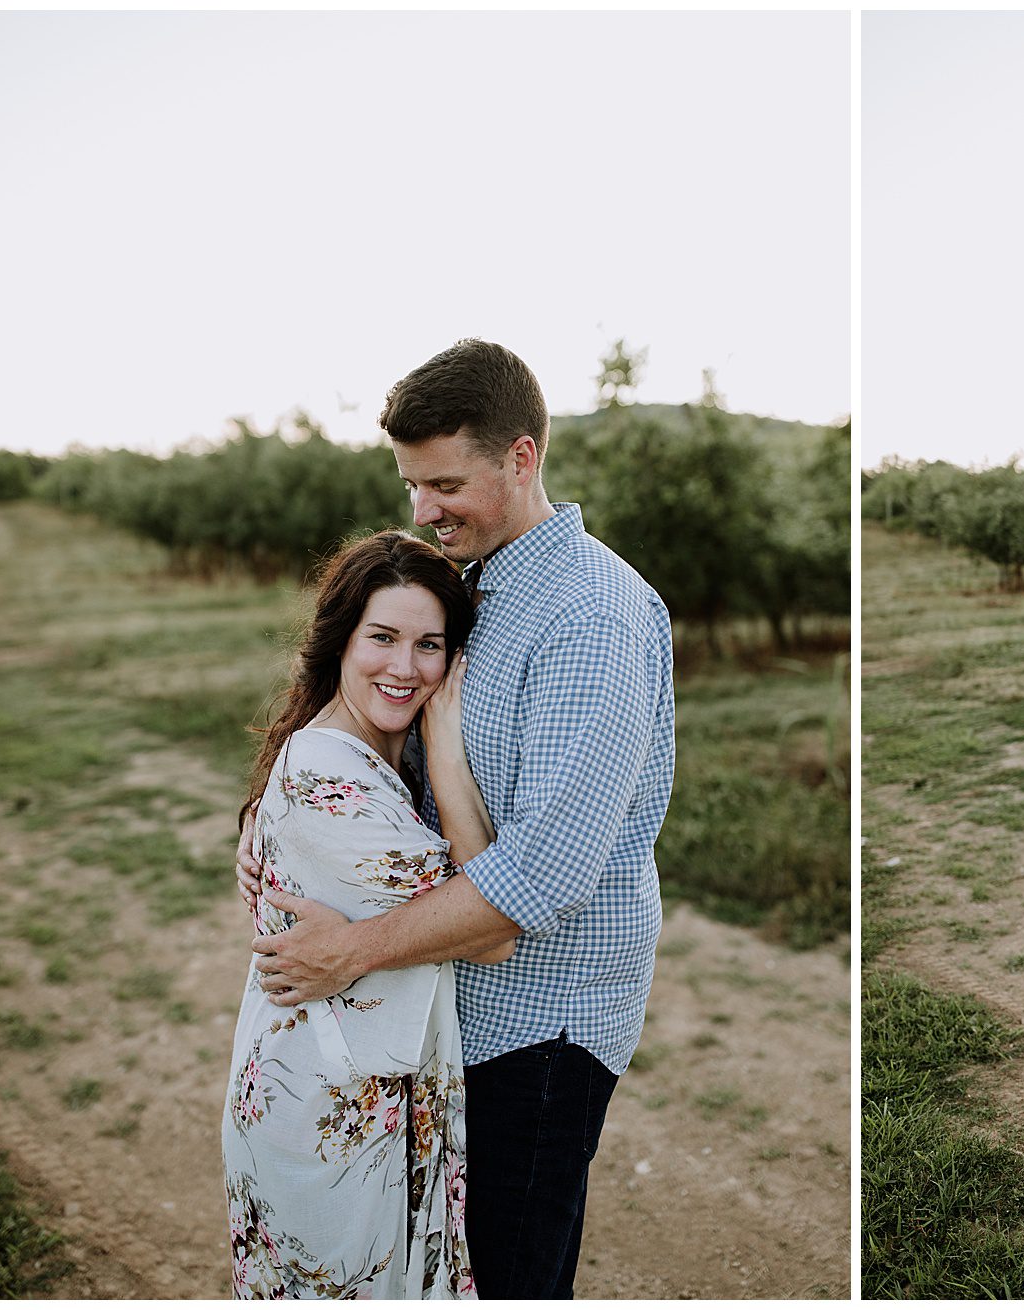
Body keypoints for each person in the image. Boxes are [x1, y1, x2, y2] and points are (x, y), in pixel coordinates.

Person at [237, 339, 677, 1299]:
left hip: (536, 1028)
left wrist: (350, 949)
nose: (423, 511)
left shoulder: (591, 616)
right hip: (446, 1022)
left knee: (512, 1281)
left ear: (522, 458)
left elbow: (535, 885)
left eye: (443, 483)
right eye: (410, 485)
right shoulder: (478, 580)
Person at [223, 529, 511, 1298]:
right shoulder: (330, 774)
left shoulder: (370, 752)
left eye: (430, 645)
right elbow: (488, 925)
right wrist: (447, 751)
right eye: (382, 637)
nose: (404, 667)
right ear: (340, 641)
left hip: (359, 1095)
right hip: (328, 1113)